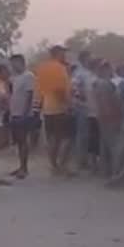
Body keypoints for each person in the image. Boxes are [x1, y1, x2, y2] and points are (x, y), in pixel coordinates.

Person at [35, 46, 74, 176]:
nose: (65, 56)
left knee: (52, 138)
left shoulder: (42, 68)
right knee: (65, 138)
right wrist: (68, 105)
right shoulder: (59, 68)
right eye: (63, 53)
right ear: (58, 54)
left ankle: (54, 165)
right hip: (59, 108)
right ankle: (61, 166)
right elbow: (59, 90)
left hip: (47, 108)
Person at [9, 54, 36, 179]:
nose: (13, 66)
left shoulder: (28, 76)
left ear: (21, 62)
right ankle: (21, 166)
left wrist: (25, 113)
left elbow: (29, 95)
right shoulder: (15, 78)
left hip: (23, 114)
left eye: (15, 63)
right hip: (15, 113)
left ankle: (24, 168)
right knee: (19, 142)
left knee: (23, 141)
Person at [71, 50, 93, 169]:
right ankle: (81, 161)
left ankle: (84, 159)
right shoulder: (79, 73)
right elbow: (73, 88)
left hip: (88, 107)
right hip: (81, 107)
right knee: (82, 134)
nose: (91, 59)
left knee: (86, 134)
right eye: (89, 57)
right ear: (84, 58)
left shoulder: (88, 72)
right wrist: (81, 96)